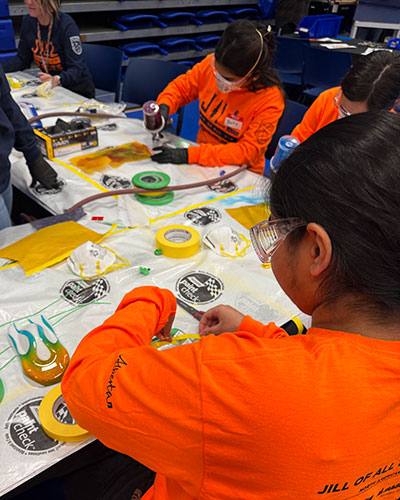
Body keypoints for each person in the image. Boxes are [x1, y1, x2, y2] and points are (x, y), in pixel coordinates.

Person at [62, 111, 400, 499]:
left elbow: (85, 384)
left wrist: (151, 300)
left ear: (316, 250)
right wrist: (254, 332)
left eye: (276, 230)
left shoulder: (231, 380)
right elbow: (339, 371)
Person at [151, 20, 285, 175]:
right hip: (203, 163)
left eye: (229, 79)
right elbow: (181, 88)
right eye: (217, 73)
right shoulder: (210, 65)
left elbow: (247, 152)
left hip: (241, 173)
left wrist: (191, 155)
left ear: (254, 76)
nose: (219, 80)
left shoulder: (270, 99)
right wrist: (164, 107)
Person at [291, 50, 400, 142]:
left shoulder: (389, 134)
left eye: (357, 118)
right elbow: (298, 140)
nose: (344, 120)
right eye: (343, 110)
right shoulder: (329, 98)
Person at [0, 64, 59, 230]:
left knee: (9, 231)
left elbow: (7, 106)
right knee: (7, 247)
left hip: (3, 171)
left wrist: (34, 156)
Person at [2, 0, 95, 98]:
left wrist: (58, 79)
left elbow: (76, 70)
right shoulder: (28, 21)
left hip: (77, 92)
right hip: (53, 90)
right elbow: (22, 59)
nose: (29, 2)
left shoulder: (66, 25)